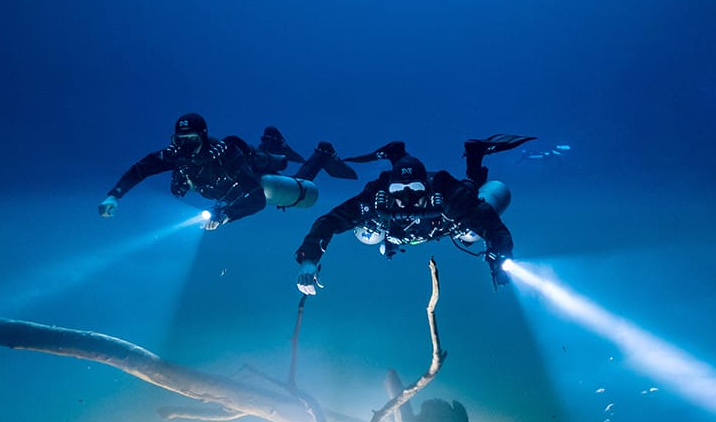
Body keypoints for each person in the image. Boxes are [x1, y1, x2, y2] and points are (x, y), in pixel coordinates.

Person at [293, 136, 531, 294]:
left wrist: (500, 255)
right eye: (398, 190)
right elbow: (330, 221)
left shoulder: (448, 197)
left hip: (441, 222)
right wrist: (309, 260)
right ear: (389, 189)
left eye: (415, 190)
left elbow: (492, 225)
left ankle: (475, 155)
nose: (406, 199)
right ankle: (396, 153)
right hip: (396, 231)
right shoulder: (375, 199)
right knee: (367, 236)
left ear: (426, 188)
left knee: (470, 234)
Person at [98, 113, 355, 227]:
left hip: (247, 183)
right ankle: (273, 140)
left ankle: (321, 154)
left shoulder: (226, 156)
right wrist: (114, 195)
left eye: (192, 141)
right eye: (180, 141)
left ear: (203, 136)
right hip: (220, 192)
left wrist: (226, 216)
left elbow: (255, 200)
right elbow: (140, 169)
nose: (185, 148)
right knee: (258, 157)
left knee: (290, 188)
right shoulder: (175, 155)